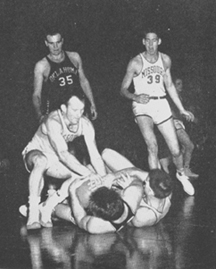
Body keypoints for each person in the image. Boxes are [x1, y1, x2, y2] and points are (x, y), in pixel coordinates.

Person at [120, 28, 195, 195]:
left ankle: (181, 174)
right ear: (143, 42)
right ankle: (155, 185)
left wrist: (181, 109)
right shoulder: (136, 62)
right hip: (142, 106)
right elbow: (123, 89)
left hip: (161, 103)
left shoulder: (165, 60)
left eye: (154, 40)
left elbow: (169, 86)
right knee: (152, 145)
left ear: (159, 41)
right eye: (148, 40)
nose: (151, 44)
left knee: (175, 149)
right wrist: (135, 96)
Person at [22, 90, 106, 230]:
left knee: (78, 175)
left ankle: (48, 206)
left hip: (55, 162)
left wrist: (104, 181)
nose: (78, 115)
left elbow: (95, 155)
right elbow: (63, 154)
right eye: (74, 110)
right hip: (36, 153)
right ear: (63, 108)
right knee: (42, 161)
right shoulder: (53, 121)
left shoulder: (85, 124)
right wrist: (90, 174)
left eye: (81, 110)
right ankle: (33, 212)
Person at [36, 148, 173, 233]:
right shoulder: (143, 189)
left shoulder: (142, 216)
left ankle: (45, 207)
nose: (145, 181)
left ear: (150, 192)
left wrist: (72, 192)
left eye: (147, 183)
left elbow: (80, 219)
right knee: (106, 155)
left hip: (113, 218)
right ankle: (90, 177)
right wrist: (111, 177)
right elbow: (136, 173)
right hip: (121, 201)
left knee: (72, 211)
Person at [33, 29, 97, 123]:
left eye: (58, 42)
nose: (55, 47)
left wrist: (92, 104)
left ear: (62, 41)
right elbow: (36, 94)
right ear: (46, 43)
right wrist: (39, 116)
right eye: (51, 43)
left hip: (78, 109)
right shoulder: (42, 65)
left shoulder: (74, 57)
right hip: (57, 114)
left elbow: (83, 81)